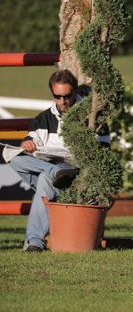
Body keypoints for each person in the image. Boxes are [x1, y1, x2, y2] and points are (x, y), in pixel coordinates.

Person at [2, 69, 104, 252]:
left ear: (75, 92)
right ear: (52, 93)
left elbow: (103, 150)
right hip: (52, 169)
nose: (62, 101)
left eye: (67, 96)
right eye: (57, 96)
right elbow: (30, 138)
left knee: (45, 179)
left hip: (77, 172)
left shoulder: (92, 116)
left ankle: (34, 242)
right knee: (13, 156)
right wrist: (27, 143)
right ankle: (55, 172)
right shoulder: (43, 118)